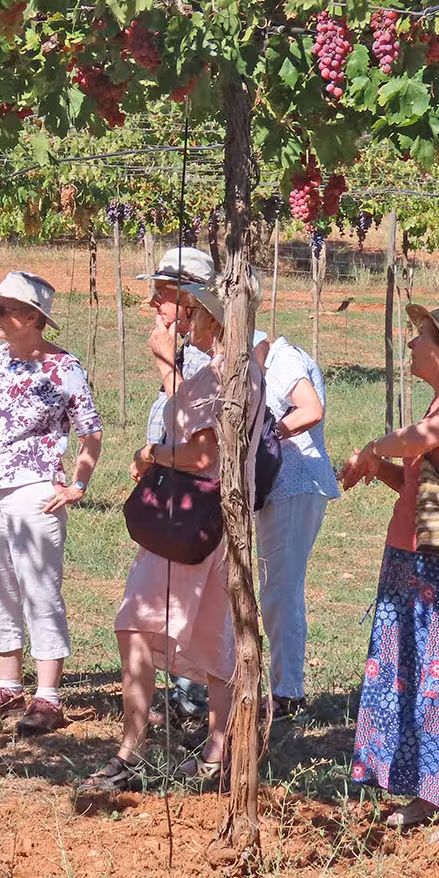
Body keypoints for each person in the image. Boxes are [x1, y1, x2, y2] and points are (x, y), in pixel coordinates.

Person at [81, 263, 265, 793]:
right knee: (200, 637)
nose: (158, 311)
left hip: (196, 522)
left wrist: (153, 448)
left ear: (200, 311)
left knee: (152, 625)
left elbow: (201, 454)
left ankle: (157, 751)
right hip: (213, 524)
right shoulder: (234, 367)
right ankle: (199, 750)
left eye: (166, 299)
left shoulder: (221, 372)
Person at [338, 303, 439, 850]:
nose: (410, 345)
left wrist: (376, 447)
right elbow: (423, 489)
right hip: (412, 556)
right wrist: (376, 467)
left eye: (420, 337)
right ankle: (425, 793)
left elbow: (422, 438)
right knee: (407, 677)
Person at [0, 272, 103, 735]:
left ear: (33, 317)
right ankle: (8, 683)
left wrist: (77, 485)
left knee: (39, 585)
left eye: (4, 309)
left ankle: (49, 696)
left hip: (35, 488)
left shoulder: (64, 369)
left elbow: (91, 432)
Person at [137, 248, 219, 728]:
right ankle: (187, 696)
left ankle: (198, 702)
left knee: (198, 602)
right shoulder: (189, 348)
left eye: (164, 293)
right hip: (179, 491)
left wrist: (168, 369)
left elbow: (199, 439)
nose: (154, 303)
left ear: (191, 300)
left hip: (204, 500)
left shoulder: (210, 356)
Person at [251, 329, 340, 718]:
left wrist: (267, 434)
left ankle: (288, 692)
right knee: (281, 587)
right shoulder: (278, 357)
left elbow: (311, 409)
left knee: (280, 590)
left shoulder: (282, 361)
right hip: (286, 486)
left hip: (295, 482)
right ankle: (286, 685)